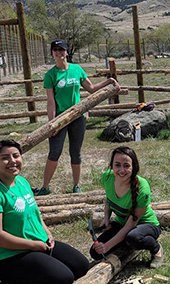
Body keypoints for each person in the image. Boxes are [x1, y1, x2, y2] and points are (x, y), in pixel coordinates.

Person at [0, 140, 89, 284]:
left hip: (38, 243)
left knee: (81, 266)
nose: (12, 161)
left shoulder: (21, 182)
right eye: (5, 158)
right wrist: (33, 245)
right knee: (63, 279)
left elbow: (34, 213)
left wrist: (47, 232)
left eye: (16, 155)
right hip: (9, 257)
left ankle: (34, 272)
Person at [33, 39, 119, 196]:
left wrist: (108, 81)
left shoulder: (76, 69)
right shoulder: (50, 75)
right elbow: (51, 102)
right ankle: (45, 187)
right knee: (55, 152)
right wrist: (52, 124)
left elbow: (91, 88)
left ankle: (76, 186)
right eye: (56, 50)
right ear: (52, 53)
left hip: (78, 115)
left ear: (66, 52)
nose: (59, 52)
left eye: (62, 49)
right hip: (59, 118)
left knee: (76, 151)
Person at [90, 146, 163, 268]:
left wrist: (107, 246)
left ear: (134, 167)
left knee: (133, 238)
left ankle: (156, 249)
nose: (121, 170)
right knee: (95, 253)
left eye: (126, 166)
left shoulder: (143, 189)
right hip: (122, 223)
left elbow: (131, 225)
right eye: (117, 165)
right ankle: (124, 243)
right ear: (111, 166)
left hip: (146, 225)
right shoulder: (107, 177)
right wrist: (106, 218)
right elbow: (109, 199)